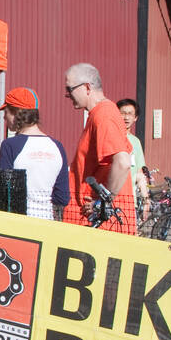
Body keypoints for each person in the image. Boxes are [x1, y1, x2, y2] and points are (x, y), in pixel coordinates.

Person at [61, 63, 136, 232]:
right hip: (94, 222)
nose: (67, 95)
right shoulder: (99, 114)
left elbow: (123, 162)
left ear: (87, 87)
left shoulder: (104, 115)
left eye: (70, 89)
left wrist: (103, 202)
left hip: (99, 225)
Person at [0, 87, 69, 220]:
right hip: (47, 221)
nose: (4, 117)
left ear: (16, 113)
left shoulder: (9, 145)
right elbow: (62, 198)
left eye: (6, 112)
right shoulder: (57, 147)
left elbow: (3, 191)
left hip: (18, 222)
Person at [117, 98, 151, 220]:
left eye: (130, 114)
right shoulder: (110, 138)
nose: (126, 117)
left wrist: (146, 199)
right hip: (110, 201)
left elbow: (139, 174)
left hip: (130, 203)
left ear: (135, 118)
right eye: (122, 113)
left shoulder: (136, 142)